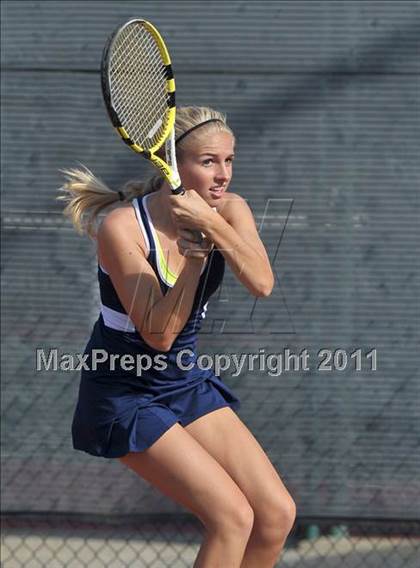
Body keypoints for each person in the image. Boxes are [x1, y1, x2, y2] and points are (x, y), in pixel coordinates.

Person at [59, 106, 296, 567]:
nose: (222, 174)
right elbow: (159, 335)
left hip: (182, 382)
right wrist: (195, 257)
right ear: (172, 163)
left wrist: (210, 225)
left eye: (229, 160)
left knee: (275, 515)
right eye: (208, 161)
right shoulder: (123, 226)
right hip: (125, 390)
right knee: (232, 518)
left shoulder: (229, 209)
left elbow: (262, 283)